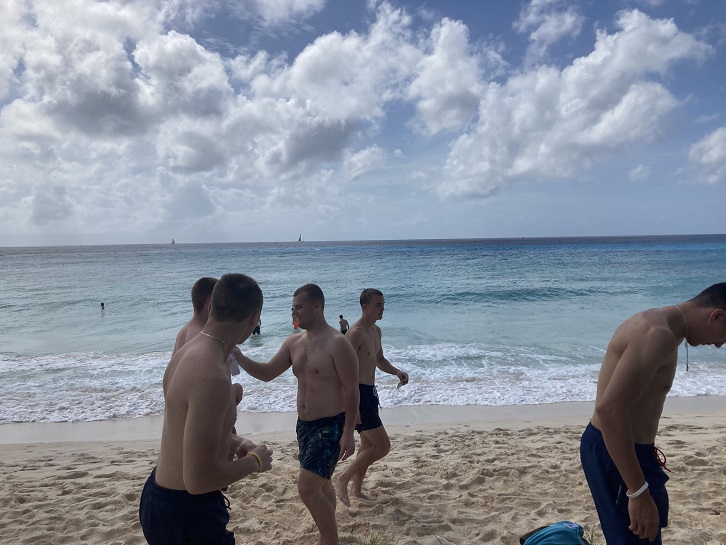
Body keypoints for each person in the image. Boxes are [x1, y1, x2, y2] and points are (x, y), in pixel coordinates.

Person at [580, 283, 726, 544]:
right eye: (725, 336)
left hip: (625, 448)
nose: (718, 345)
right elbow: (610, 411)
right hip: (615, 449)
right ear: (716, 316)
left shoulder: (662, 326)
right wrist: (637, 492)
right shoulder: (657, 334)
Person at [139, 273, 273, 545]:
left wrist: (232, 440)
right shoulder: (213, 375)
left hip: (160, 496)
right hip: (187, 512)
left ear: (212, 306)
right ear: (254, 317)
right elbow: (199, 480)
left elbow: (182, 424)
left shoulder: (187, 352)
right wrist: (255, 462)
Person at [236, 284, 359, 545]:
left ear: (317, 306)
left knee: (307, 487)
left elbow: (352, 390)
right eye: (292, 308)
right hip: (304, 426)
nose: (294, 313)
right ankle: (328, 534)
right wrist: (240, 357)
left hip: (331, 426)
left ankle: (330, 539)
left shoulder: (338, 343)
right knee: (322, 483)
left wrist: (348, 432)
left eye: (299, 307)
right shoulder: (293, 343)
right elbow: (268, 373)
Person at [334, 288, 409, 506]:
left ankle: (356, 491)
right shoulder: (355, 333)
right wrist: (353, 405)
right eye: (378, 305)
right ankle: (343, 478)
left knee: (367, 447)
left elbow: (379, 359)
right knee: (382, 446)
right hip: (357, 394)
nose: (382, 308)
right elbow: (342, 370)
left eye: (383, 304)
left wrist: (396, 371)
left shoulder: (376, 331)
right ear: (364, 307)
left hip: (371, 392)